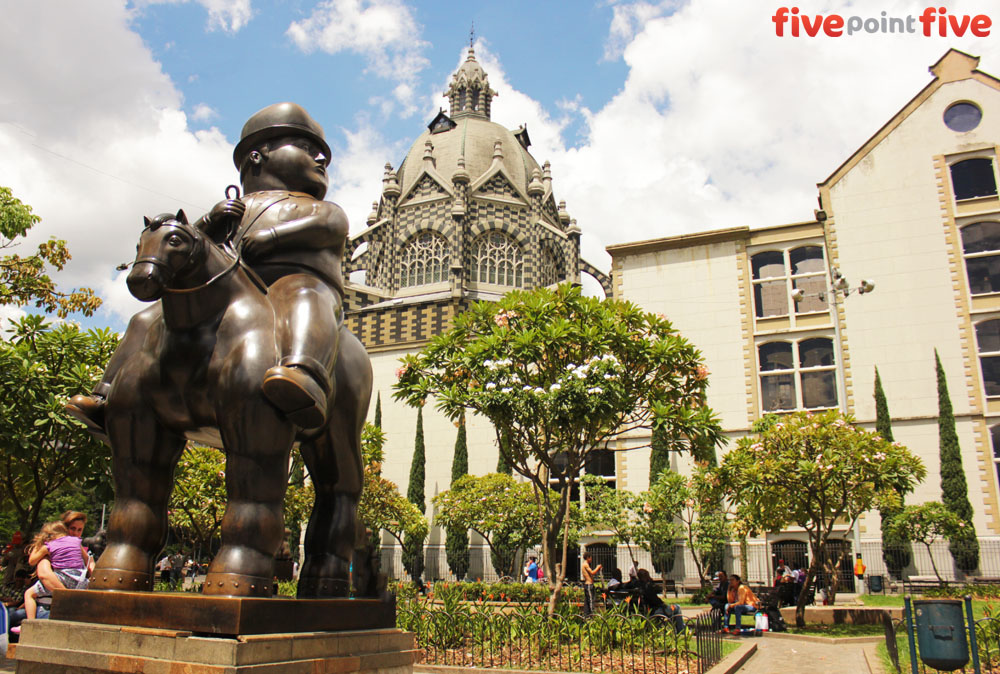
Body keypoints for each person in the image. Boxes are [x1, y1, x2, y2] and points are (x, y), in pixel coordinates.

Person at [66, 102, 348, 433]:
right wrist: (210, 222)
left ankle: (304, 374)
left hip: (292, 281)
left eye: (322, 157)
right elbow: (191, 246)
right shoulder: (233, 208)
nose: (320, 160)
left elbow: (332, 225)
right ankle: (106, 396)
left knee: (306, 298)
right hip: (236, 291)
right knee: (145, 319)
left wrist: (272, 235)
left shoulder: (317, 207)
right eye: (307, 148)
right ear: (257, 156)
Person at [12, 521, 91, 633]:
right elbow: (87, 560)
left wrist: (41, 546)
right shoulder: (76, 542)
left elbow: (32, 561)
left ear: (49, 535)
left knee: (29, 594)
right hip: (80, 579)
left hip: (62, 578)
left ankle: (30, 624)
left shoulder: (50, 545)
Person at [581, 552, 602, 616]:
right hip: (588, 585)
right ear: (588, 557)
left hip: (589, 584)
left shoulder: (586, 564)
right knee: (590, 600)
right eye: (590, 558)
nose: (591, 559)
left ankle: (586, 615)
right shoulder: (585, 565)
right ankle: (592, 614)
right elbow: (592, 572)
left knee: (587, 601)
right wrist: (597, 567)